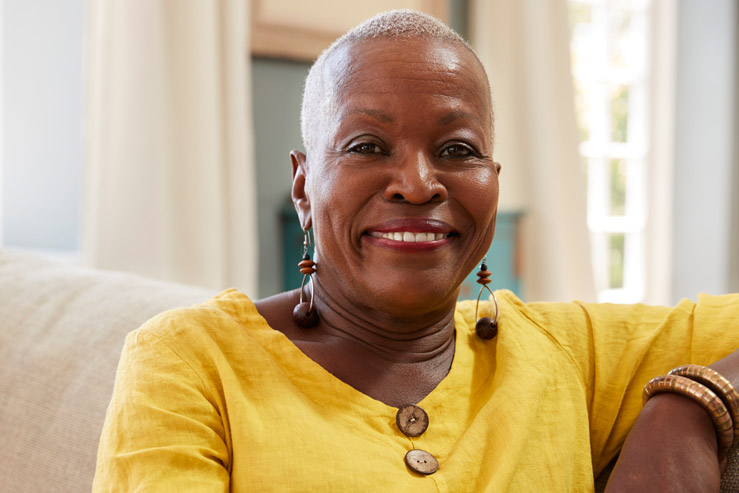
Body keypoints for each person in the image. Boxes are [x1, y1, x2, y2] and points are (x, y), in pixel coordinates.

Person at [93, 9, 739, 492]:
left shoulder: (568, 354)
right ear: (302, 186)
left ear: (493, 180)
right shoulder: (188, 362)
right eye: (367, 146)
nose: (418, 183)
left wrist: (691, 404)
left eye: (457, 150)